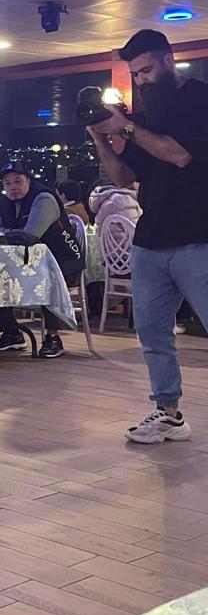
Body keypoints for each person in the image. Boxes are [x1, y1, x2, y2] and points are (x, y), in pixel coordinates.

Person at [86, 29, 208, 444]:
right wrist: (102, 140)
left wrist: (127, 127)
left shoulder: (199, 99)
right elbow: (125, 178)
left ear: (168, 60)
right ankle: (168, 414)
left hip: (199, 235)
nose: (141, 81)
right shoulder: (146, 114)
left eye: (146, 70)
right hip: (151, 238)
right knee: (152, 333)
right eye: (135, 74)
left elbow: (180, 155)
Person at [0, 161, 84, 359]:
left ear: (28, 181)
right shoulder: (3, 203)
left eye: (18, 181)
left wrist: (4, 233)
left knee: (46, 277)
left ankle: (53, 337)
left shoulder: (44, 198)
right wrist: (12, 233)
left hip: (62, 264)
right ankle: (11, 332)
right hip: (23, 263)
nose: (13, 187)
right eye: (7, 183)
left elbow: (31, 235)